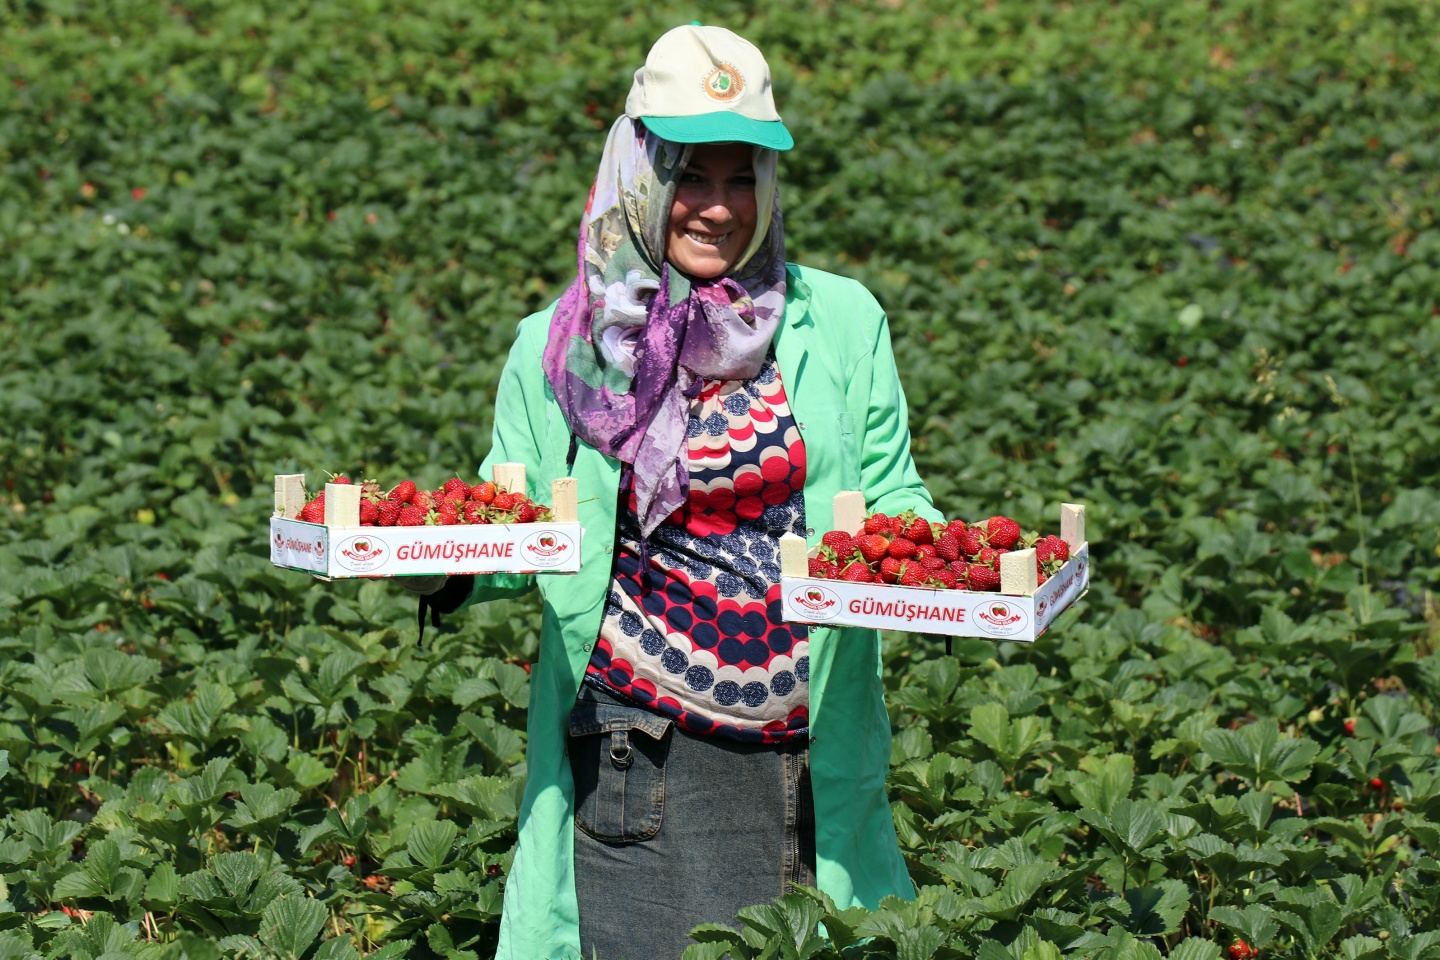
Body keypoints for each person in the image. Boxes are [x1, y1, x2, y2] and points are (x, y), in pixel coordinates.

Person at [411, 22, 941, 959]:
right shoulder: (561, 348)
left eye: (744, 178)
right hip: (641, 751)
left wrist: (952, 573)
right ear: (640, 173)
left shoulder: (842, 321)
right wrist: (428, 562)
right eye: (691, 176)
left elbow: (889, 495)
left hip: (811, 745)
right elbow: (526, 531)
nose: (718, 208)